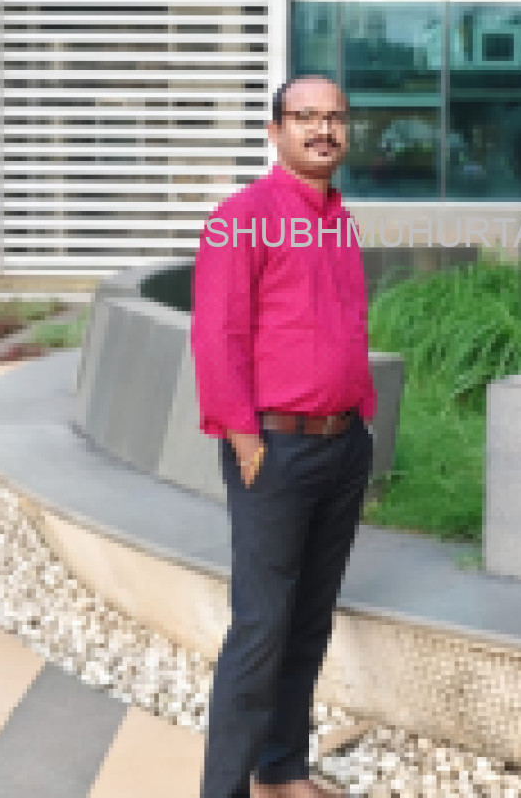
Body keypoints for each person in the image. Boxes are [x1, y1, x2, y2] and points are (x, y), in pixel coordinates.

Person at [191, 75, 376, 798]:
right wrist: (244, 440)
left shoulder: (338, 222)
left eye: (335, 118)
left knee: (308, 620)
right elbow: (218, 336)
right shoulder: (241, 218)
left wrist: (360, 418)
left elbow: (346, 326)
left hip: (342, 445)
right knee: (261, 626)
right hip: (273, 449)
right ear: (275, 132)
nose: (323, 130)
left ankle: (282, 768)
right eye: (306, 117)